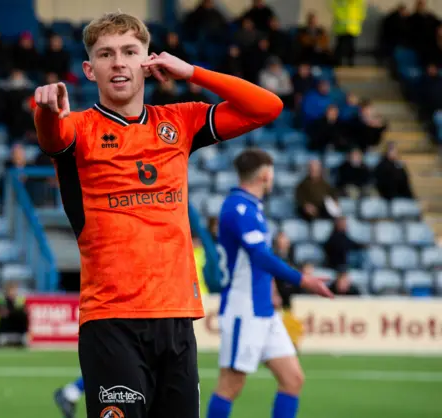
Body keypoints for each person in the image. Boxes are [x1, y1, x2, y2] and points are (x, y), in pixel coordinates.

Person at [35, 11, 283, 418]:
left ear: (148, 62)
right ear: (89, 69)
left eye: (130, 52)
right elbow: (51, 135)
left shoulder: (179, 121)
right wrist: (45, 109)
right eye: (106, 54)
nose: (118, 62)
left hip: (178, 317)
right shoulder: (77, 127)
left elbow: (267, 107)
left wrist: (192, 72)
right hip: (112, 319)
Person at [205, 149, 333, 418]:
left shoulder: (250, 206)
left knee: (293, 379)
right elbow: (260, 256)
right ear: (265, 175)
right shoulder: (238, 208)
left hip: (263, 309)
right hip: (244, 310)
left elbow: (255, 261)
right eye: (271, 171)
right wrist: (303, 279)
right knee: (230, 385)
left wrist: (271, 288)